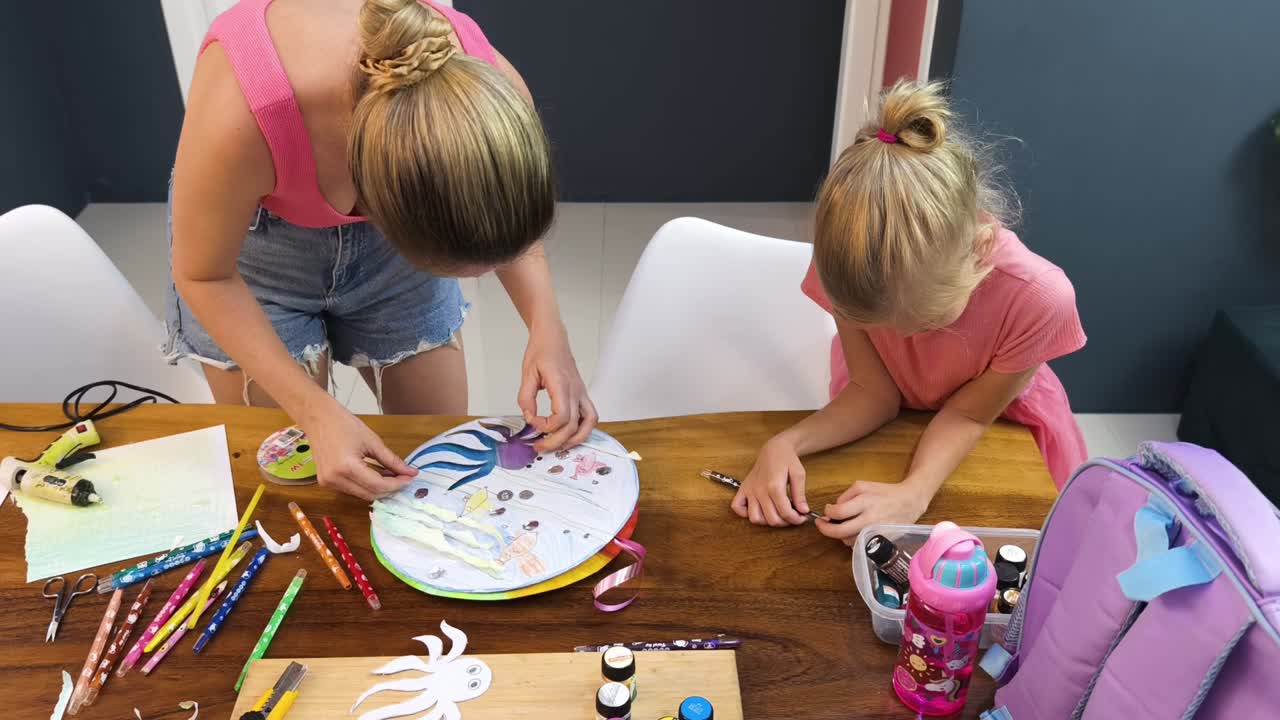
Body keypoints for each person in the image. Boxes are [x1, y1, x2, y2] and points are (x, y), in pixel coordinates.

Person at [166, 0, 596, 500]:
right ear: (383, 205)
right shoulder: (243, 111)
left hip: (382, 204)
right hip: (250, 252)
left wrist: (548, 329)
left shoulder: (492, 82)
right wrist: (314, 411)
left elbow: (508, 226)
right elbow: (204, 275)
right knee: (299, 479)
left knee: (436, 446)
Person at [734, 81, 1087, 542]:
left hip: (998, 425)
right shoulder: (848, 264)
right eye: (875, 325)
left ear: (981, 251)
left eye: (921, 323)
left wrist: (915, 492)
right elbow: (873, 391)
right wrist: (784, 443)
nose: (900, 338)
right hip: (892, 418)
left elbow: (968, 416)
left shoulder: (1040, 299)